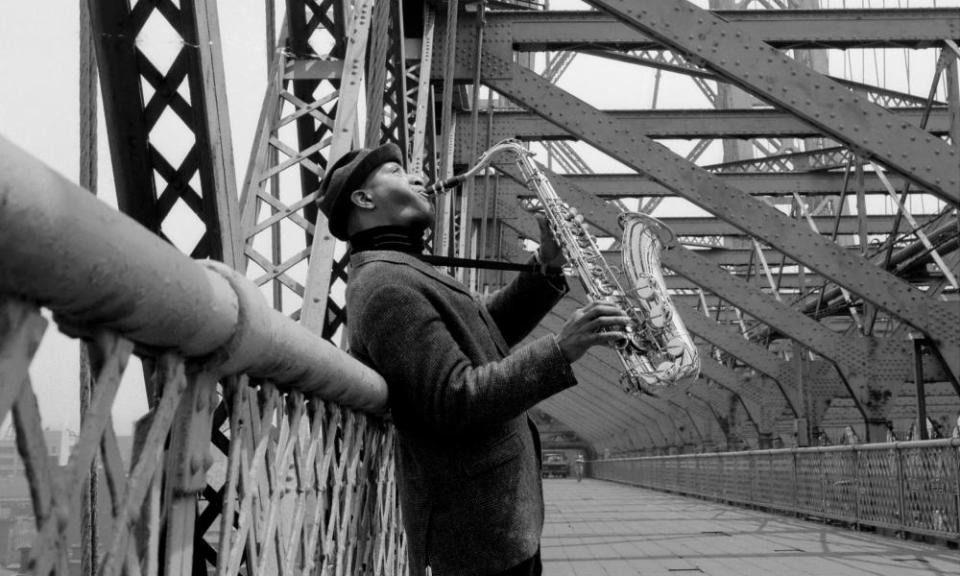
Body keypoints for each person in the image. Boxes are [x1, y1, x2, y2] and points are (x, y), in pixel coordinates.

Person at [317, 143, 630, 576]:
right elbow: (454, 399)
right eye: (397, 171)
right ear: (364, 199)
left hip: (496, 523)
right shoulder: (386, 286)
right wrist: (561, 348)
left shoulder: (401, 268)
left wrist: (545, 264)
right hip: (478, 536)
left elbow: (484, 327)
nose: (419, 177)